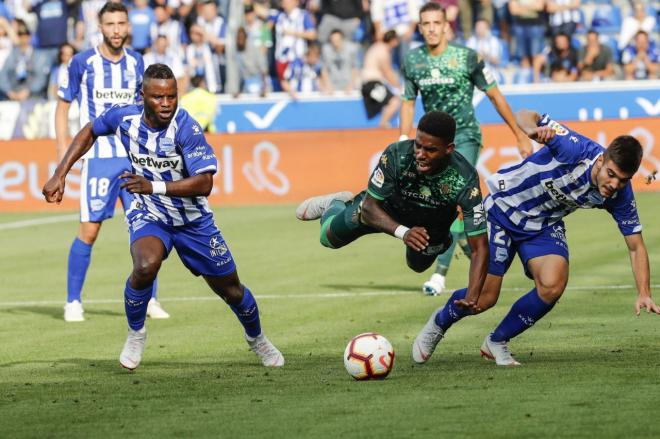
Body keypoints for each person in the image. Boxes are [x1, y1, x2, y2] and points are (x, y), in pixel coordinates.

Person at [43, 63, 285, 371]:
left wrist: (152, 185)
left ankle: (257, 338)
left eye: (172, 96)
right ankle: (135, 333)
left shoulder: (187, 128)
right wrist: (60, 173)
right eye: (158, 97)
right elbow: (90, 129)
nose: (167, 103)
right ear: (142, 95)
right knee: (145, 265)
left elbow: (205, 183)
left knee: (232, 290)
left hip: (194, 221)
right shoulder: (124, 118)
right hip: (149, 213)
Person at [411, 109, 660, 367]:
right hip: (503, 208)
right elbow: (526, 114)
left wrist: (644, 292)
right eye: (611, 174)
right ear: (601, 161)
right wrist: (531, 130)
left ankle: (497, 341)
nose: (615, 185)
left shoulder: (620, 195)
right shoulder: (573, 148)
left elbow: (635, 246)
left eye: (623, 180)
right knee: (485, 298)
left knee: (553, 284)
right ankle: (439, 323)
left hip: (542, 224)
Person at [399, 2, 531, 296]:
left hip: (465, 137)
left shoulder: (467, 58)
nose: (432, 28)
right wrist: (403, 137)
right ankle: (482, 259)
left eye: (437, 23)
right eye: (426, 24)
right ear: (420, 28)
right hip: (430, 144)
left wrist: (519, 135)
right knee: (439, 207)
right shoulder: (412, 61)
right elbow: (408, 101)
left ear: (447, 26)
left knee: (450, 200)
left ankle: (439, 274)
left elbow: (495, 96)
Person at [295, 111, 489, 300]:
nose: (420, 154)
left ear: (449, 148)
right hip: (383, 210)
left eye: (430, 150)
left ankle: (440, 238)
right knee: (327, 238)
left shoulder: (465, 178)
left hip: (431, 226)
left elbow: (479, 246)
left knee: (417, 266)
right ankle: (336, 203)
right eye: (418, 145)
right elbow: (370, 207)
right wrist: (404, 232)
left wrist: (473, 296)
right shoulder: (397, 154)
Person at [55, 1, 169, 322]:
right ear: (100, 27)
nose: (116, 30)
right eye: (110, 25)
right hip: (98, 160)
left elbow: (146, 108)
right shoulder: (83, 62)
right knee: (89, 231)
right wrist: (65, 152)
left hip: (134, 160)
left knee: (147, 229)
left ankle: (150, 300)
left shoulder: (137, 62)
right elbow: (62, 105)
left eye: (121, 24)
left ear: (128, 26)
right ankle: (73, 302)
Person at [360, 30, 401, 128]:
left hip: (370, 83)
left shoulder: (377, 47)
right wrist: (399, 86)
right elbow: (387, 71)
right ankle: (382, 125)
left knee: (390, 102)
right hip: (372, 83)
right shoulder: (383, 50)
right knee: (394, 102)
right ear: (393, 40)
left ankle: (384, 124)